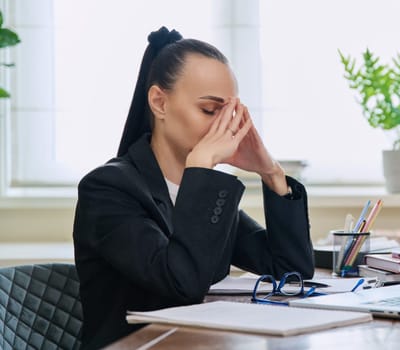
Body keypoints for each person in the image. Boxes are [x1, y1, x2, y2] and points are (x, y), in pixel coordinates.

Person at [73, 27, 314, 349]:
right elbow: (182, 282)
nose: (221, 126)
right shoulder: (107, 189)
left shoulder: (202, 190)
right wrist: (202, 168)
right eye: (209, 111)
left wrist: (271, 172)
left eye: (228, 114)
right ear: (159, 102)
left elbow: (290, 270)